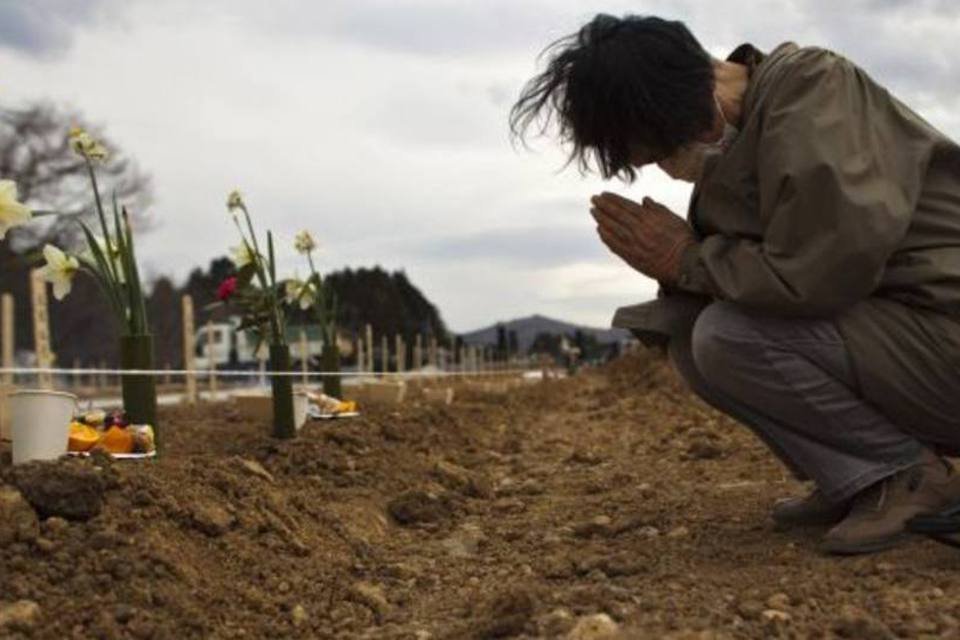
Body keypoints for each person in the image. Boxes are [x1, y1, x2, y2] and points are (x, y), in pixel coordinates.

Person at [510, 14, 960, 555]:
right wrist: (677, 278)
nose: (669, 168)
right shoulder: (743, 142)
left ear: (692, 100)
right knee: (692, 332)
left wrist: (685, 259)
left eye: (660, 151)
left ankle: (909, 477)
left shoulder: (813, 92)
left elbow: (819, 272)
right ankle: (860, 477)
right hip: (916, 337)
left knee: (727, 337)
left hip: (942, 325)